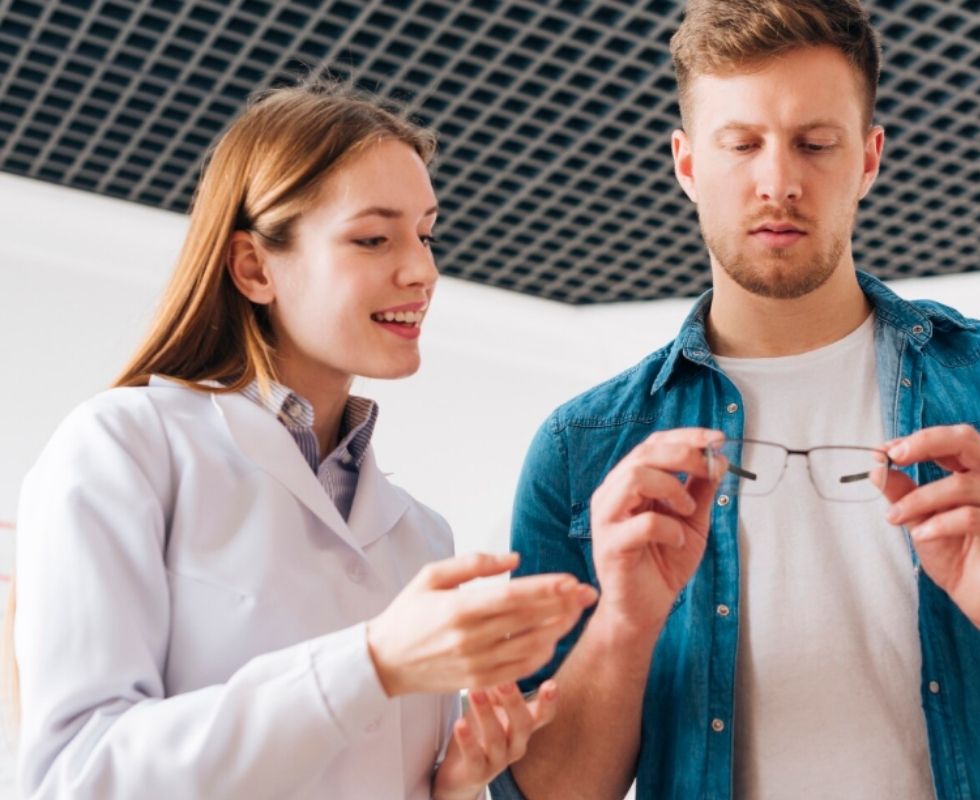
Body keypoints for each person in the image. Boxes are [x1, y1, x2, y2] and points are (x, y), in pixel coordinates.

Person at [490, 2, 980, 799]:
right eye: (742, 144)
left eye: (815, 144)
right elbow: (540, 789)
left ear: (868, 159)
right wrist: (624, 623)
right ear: (688, 166)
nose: (779, 181)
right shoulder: (583, 449)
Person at [14, 83, 597, 799]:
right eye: (374, 238)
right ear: (255, 267)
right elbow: (79, 777)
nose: (423, 270)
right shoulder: (125, 448)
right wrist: (372, 661)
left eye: (426, 233)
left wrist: (452, 785)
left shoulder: (421, 536)